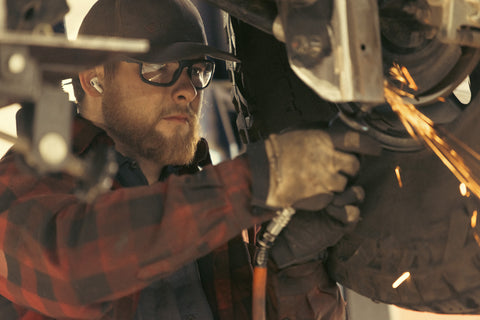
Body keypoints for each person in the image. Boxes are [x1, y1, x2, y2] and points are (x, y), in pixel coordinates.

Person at [0, 0, 367, 319]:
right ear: (94, 79)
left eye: (196, 71)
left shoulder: (211, 200)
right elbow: (71, 269)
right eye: (159, 68)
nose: (188, 90)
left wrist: (295, 267)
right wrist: (255, 181)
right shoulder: (21, 184)